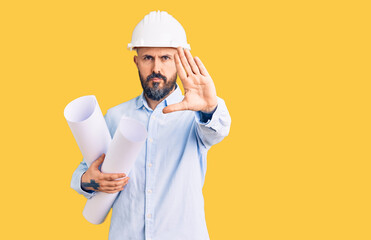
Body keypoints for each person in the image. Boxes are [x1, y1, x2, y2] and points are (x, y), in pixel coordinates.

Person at [71, 10, 231, 240]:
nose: (156, 68)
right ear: (136, 61)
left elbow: (220, 128)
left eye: (165, 58)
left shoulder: (196, 114)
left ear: (179, 61)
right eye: (148, 58)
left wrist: (209, 108)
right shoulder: (116, 116)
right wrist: (88, 180)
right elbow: (83, 172)